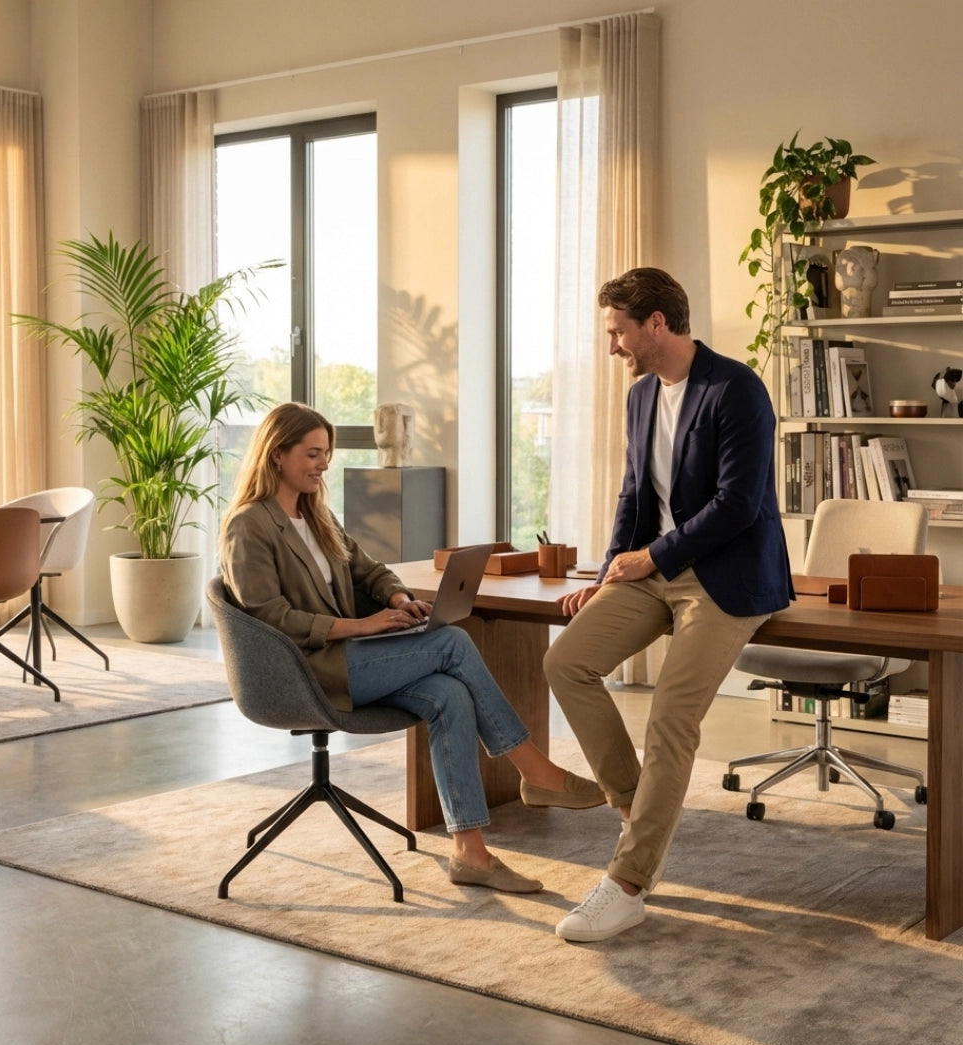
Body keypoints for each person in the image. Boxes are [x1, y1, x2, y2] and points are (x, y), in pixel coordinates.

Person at [219, 402, 606, 895]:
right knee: (451, 641)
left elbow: (369, 569)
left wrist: (398, 597)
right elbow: (266, 615)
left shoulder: (316, 515)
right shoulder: (248, 524)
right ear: (277, 455)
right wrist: (361, 626)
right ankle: (535, 769)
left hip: (346, 658)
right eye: (313, 454)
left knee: (449, 692)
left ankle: (470, 852)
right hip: (307, 671)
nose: (323, 464)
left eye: (327, 454)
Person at [543, 268, 793, 942]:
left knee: (670, 716)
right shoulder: (640, 397)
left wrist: (651, 557)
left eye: (618, 332)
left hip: (729, 575)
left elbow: (739, 505)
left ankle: (627, 885)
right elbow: (635, 498)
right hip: (657, 570)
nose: (613, 346)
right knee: (567, 662)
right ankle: (635, 806)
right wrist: (605, 576)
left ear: (656, 323)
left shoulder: (735, 388)